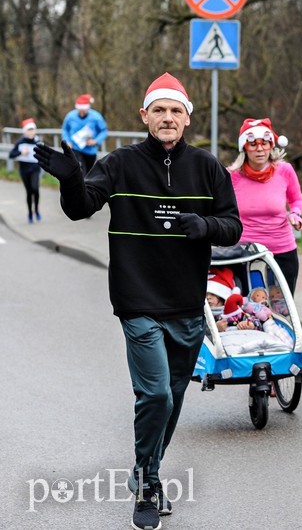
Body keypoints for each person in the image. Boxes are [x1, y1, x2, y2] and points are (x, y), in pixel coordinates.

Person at [34, 73, 242, 530]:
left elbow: (233, 226)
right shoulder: (120, 163)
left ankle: (145, 468)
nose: (168, 118)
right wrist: (72, 179)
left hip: (187, 303)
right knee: (156, 394)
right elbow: (80, 207)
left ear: (188, 117)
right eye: (159, 110)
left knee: (175, 397)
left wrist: (204, 227)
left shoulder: (208, 168)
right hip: (137, 300)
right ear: (144, 116)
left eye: (176, 111)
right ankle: (147, 485)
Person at [228, 118, 302, 295]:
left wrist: (295, 214)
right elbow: (221, 208)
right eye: (253, 144)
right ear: (244, 148)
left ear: (272, 145)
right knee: (250, 310)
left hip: (282, 250)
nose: (260, 149)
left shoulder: (285, 170)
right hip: (245, 253)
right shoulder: (232, 176)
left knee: (282, 309)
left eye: (265, 143)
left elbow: (296, 200)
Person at [61, 93, 108, 175]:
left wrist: (95, 141)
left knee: (88, 174)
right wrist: (67, 141)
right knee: (80, 170)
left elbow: (104, 131)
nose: (81, 113)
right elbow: (65, 130)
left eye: (84, 111)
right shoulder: (70, 116)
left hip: (90, 151)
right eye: (80, 110)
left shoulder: (96, 117)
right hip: (75, 148)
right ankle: (79, 187)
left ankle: (86, 187)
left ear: (88, 108)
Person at [9, 118, 42, 223]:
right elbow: (11, 155)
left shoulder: (38, 141)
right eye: (29, 130)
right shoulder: (20, 142)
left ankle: (36, 209)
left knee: (35, 189)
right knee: (29, 192)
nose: (31, 132)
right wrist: (20, 153)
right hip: (24, 170)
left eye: (33, 130)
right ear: (25, 131)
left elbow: (45, 154)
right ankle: (29, 213)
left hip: (35, 169)